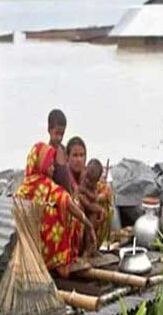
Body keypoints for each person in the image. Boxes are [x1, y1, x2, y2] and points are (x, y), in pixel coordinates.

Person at [15, 142, 96, 278]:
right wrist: (88, 224)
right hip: (44, 244)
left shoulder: (23, 186)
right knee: (66, 215)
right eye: (50, 164)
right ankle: (60, 263)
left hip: (28, 245)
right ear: (41, 164)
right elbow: (69, 203)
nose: (53, 168)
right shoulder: (46, 185)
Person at [66, 137, 114, 249]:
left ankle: (92, 247)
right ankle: (76, 250)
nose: (79, 160)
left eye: (82, 155)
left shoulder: (88, 173)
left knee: (106, 205)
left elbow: (105, 189)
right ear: (67, 157)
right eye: (75, 155)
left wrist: (99, 199)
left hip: (89, 209)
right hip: (75, 215)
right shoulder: (65, 176)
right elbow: (77, 196)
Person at [47, 109, 73, 194]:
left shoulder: (64, 150)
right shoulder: (47, 155)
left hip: (69, 200)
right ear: (49, 130)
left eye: (62, 134)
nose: (59, 138)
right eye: (57, 133)